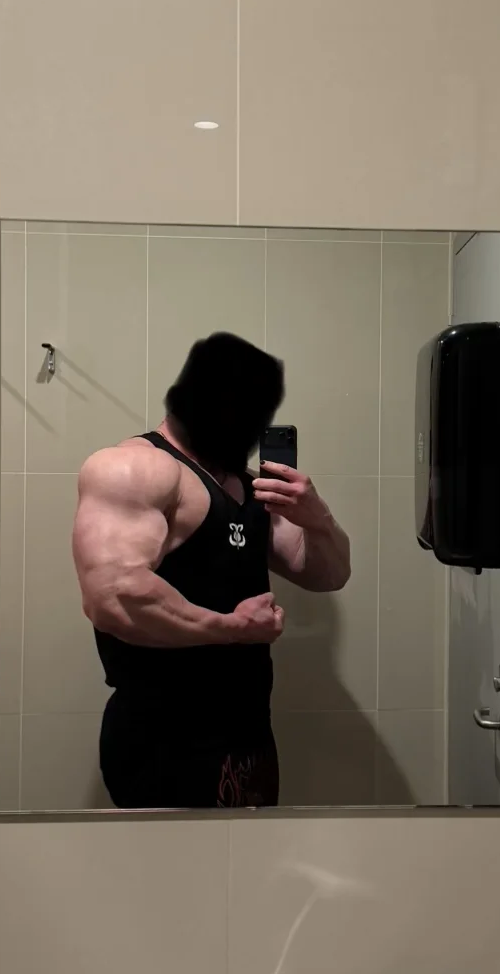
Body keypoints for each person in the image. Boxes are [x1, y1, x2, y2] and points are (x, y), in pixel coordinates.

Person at [72, 331, 352, 809]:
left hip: (249, 736)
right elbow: (115, 598)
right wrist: (231, 629)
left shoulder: (247, 487)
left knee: (253, 858)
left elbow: (328, 574)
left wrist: (317, 517)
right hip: (163, 739)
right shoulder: (135, 469)